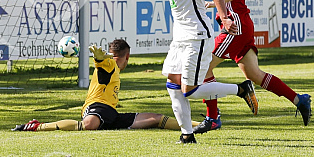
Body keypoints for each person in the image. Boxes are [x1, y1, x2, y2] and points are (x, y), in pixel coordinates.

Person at [134, 0, 258, 144]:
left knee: (189, 90)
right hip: (180, 40)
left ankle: (241, 89)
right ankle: (187, 135)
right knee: (173, 83)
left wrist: (225, 18)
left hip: (196, 37)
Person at [194, 0, 312, 134]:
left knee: (203, 67)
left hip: (235, 26)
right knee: (255, 74)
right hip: (243, 25)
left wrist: (217, 1)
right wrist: (216, 3)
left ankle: (213, 118)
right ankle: (298, 100)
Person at [12, 39, 200, 132]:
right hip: (97, 108)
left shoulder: (114, 67)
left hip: (111, 113)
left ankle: (200, 125)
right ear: (127, 56)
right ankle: (38, 126)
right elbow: (102, 64)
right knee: (89, 124)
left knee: (156, 118)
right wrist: (99, 58)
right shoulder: (110, 64)